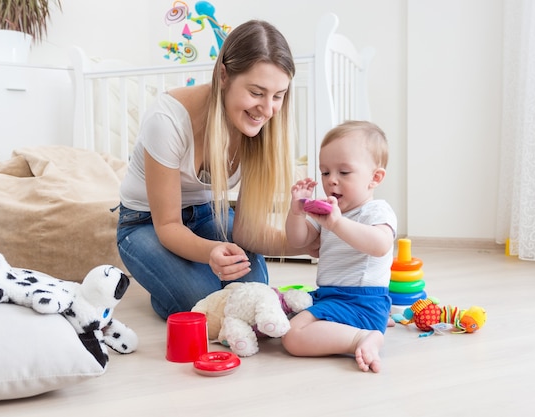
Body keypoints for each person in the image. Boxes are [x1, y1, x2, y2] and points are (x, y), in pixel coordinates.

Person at [116, 20, 312, 320]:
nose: (268, 109)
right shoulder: (167, 121)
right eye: (257, 92)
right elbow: (167, 226)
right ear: (224, 75)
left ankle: (182, 277)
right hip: (145, 223)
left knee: (253, 288)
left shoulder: (261, 131)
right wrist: (210, 253)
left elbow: (248, 232)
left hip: (206, 213)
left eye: (278, 95)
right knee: (200, 299)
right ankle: (167, 291)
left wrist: (312, 244)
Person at [282, 120, 397, 373]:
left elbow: (380, 245)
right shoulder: (332, 214)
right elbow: (298, 240)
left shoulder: (377, 210)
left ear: (374, 178)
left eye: (344, 173)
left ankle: (362, 337)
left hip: (361, 300)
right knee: (281, 314)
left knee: (292, 335)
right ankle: (359, 329)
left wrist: (337, 224)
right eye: (325, 172)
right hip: (330, 296)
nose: (331, 181)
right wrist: (296, 212)